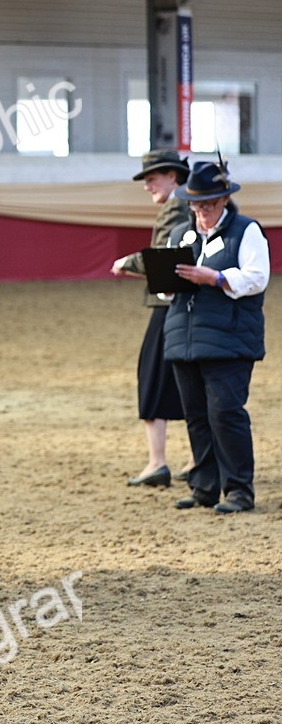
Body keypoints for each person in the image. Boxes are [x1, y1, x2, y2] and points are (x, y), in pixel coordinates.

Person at [165, 160, 269, 514]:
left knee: (226, 412)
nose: (202, 213)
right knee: (196, 415)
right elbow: (166, 291)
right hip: (185, 337)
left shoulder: (246, 230)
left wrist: (216, 278)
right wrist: (161, 277)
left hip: (230, 338)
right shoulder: (180, 233)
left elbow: (257, 278)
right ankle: (204, 486)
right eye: (196, 206)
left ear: (224, 200)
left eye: (208, 205)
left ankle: (239, 489)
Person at [111, 150, 190, 487]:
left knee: (153, 373)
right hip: (186, 305)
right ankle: (198, 456)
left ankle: (157, 462)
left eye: (152, 178)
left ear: (173, 176)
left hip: (168, 304)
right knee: (187, 378)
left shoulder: (176, 206)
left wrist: (127, 262)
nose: (147, 186)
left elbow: (162, 259)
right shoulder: (187, 203)